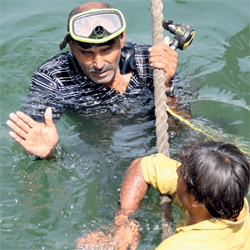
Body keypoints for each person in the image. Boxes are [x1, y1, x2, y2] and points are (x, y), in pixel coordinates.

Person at [6, 1, 178, 160]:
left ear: (122, 38)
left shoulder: (152, 63)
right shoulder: (55, 76)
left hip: (148, 139)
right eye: (87, 53)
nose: (99, 64)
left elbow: (180, 128)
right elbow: (32, 136)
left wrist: (166, 85)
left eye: (106, 50)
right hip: (95, 150)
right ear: (72, 47)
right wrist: (50, 153)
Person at [76, 141, 250, 249]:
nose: (176, 169)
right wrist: (123, 222)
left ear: (196, 200)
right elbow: (142, 166)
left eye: (181, 172)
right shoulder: (228, 195)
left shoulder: (179, 246)